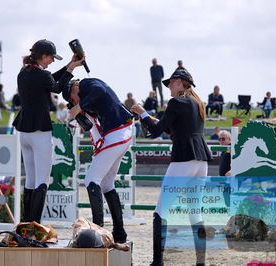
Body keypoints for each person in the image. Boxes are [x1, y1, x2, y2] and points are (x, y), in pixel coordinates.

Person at [131, 67, 211, 266]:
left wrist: (143, 113)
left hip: (183, 159)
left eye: (170, 83)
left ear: (178, 82)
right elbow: (170, 127)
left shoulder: (176, 102)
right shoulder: (197, 103)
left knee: (160, 212)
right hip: (201, 161)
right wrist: (150, 117)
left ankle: (158, 262)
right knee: (195, 213)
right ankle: (201, 263)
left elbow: (157, 130)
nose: (168, 87)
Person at [12, 39, 84, 224]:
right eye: (51, 57)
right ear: (43, 56)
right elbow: (57, 87)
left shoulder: (24, 72)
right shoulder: (41, 75)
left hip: (24, 132)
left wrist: (70, 65)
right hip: (40, 132)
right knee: (42, 181)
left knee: (30, 180)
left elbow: (51, 78)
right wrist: (70, 70)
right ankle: (34, 227)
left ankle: (25, 225)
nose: (52, 60)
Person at [63, 78, 133, 244]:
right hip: (119, 132)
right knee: (107, 184)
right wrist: (81, 111)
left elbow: (99, 91)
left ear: (74, 90)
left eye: (72, 99)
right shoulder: (87, 96)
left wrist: (79, 107)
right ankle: (119, 232)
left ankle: (98, 230)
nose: (74, 102)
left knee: (91, 180)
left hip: (117, 132)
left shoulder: (87, 84)